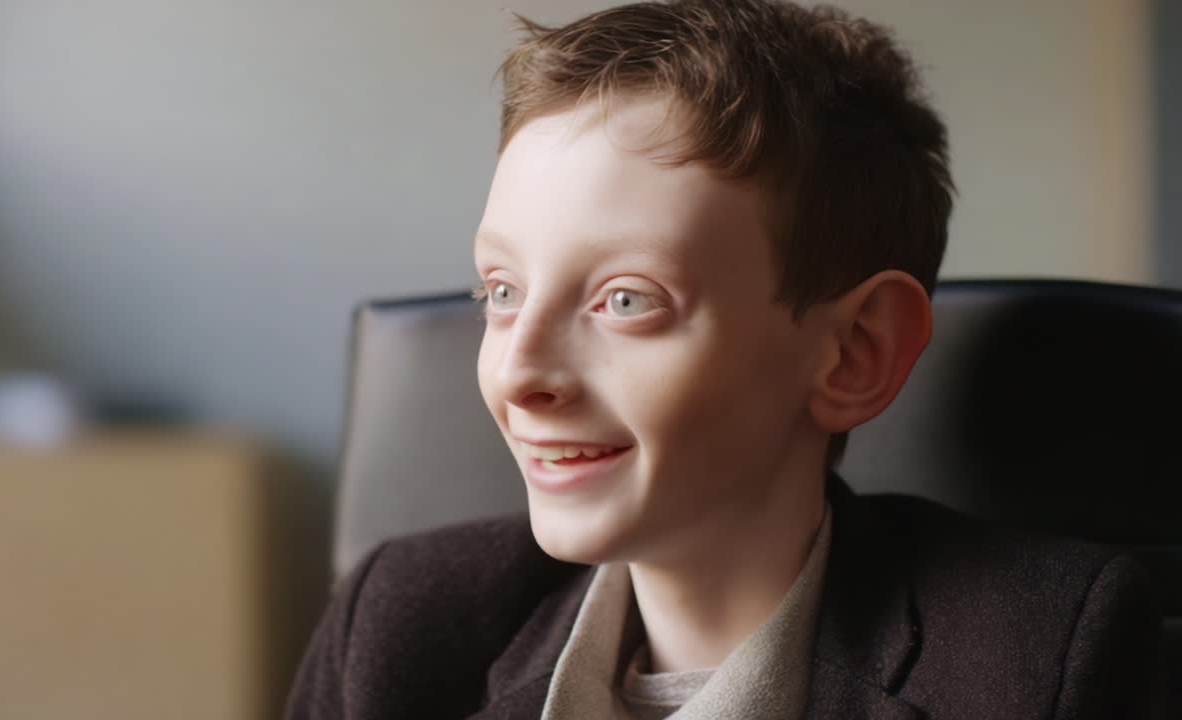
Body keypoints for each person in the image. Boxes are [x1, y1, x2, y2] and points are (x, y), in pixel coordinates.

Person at [287, 1, 1161, 717]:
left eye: (626, 301)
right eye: (502, 292)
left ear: (854, 352)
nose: (519, 376)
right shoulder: (396, 631)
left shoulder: (1045, 661)